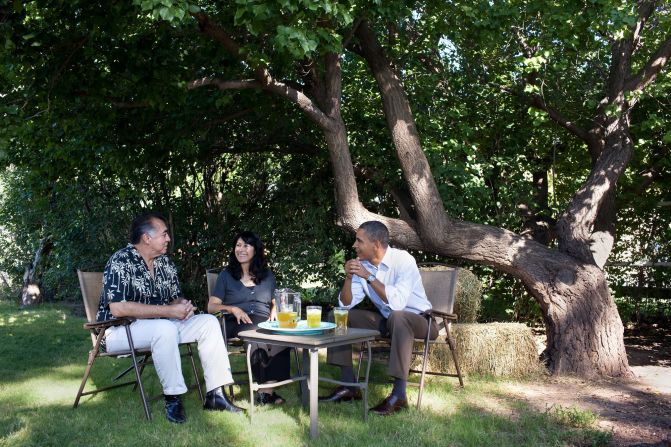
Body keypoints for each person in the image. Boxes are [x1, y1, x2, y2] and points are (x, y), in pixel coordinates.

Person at [96, 212, 243, 424]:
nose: (168, 238)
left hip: (161, 325)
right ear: (147, 238)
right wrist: (168, 312)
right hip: (118, 331)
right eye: (164, 234)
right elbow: (118, 308)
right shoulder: (120, 261)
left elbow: (173, 299)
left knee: (209, 323)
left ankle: (216, 395)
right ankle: (173, 398)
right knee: (164, 329)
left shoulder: (164, 263)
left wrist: (182, 306)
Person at [319, 221, 438, 415]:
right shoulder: (362, 266)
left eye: (359, 241)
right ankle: (349, 386)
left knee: (399, 317)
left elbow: (398, 303)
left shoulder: (403, 260)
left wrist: (370, 277)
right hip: (389, 320)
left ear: (375, 244)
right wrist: (349, 277)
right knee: (338, 315)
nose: (354, 245)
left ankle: (399, 395)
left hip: (421, 321)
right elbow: (345, 304)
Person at [208, 231, 290, 405]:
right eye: (238, 245)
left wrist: (275, 309)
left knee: (282, 336)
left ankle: (265, 391)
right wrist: (231, 308)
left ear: (256, 250)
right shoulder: (226, 276)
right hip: (236, 321)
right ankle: (265, 394)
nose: (241, 249)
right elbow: (211, 306)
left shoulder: (267, 275)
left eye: (246, 245)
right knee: (256, 334)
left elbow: (275, 300)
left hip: (263, 320)